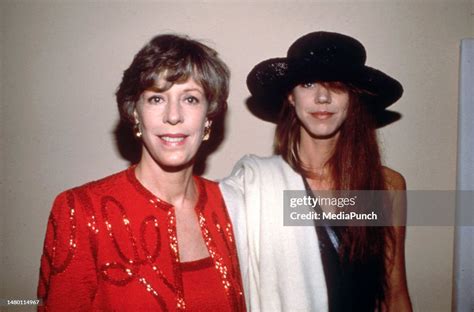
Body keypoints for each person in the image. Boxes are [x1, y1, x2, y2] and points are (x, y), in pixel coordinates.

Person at [37, 34, 246, 311]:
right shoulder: (83, 211)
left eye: (191, 99)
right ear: (135, 112)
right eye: (157, 98)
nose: (173, 116)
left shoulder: (232, 206)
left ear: (208, 116)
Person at [220, 31, 412, 311]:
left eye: (336, 85)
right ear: (290, 96)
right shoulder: (258, 188)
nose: (322, 97)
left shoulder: (386, 186)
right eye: (308, 84)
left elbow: (395, 296)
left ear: (353, 97)